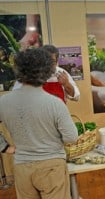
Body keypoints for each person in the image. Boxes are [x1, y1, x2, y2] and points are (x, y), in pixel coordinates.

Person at [0, 48, 78, 198]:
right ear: (47, 71)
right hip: (52, 166)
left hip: (22, 166)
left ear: (19, 71)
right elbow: (71, 137)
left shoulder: (3, 102)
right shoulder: (54, 103)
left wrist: (5, 148)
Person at [13, 44, 80, 103]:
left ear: (56, 62)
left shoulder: (62, 73)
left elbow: (76, 97)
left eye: (52, 61)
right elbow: (16, 97)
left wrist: (66, 84)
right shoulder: (30, 74)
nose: (48, 65)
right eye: (46, 61)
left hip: (58, 114)